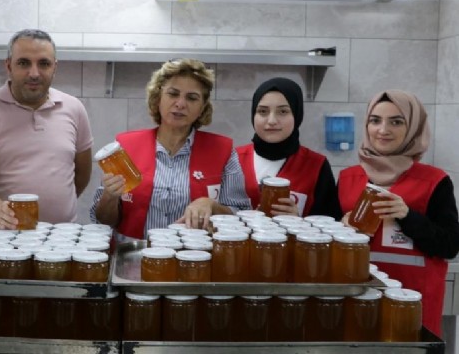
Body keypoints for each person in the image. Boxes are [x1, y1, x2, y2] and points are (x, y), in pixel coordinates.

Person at [338, 89, 459, 336]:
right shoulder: (347, 178)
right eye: (375, 120)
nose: (383, 130)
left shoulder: (434, 181)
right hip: (355, 299)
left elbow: (450, 245)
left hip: (413, 304)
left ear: (413, 128)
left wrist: (407, 215)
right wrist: (341, 226)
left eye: (396, 121)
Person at [90, 58, 251, 240]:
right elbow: (103, 220)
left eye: (192, 98)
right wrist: (109, 197)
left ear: (202, 107)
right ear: (158, 98)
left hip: (196, 259)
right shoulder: (123, 149)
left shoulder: (223, 151)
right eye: (173, 94)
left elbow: (241, 216)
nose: (180, 104)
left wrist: (211, 205)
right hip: (135, 256)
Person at [0, 29, 92, 228]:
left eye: (44, 64)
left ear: (55, 67)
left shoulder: (74, 108)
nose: (34, 73)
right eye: (23, 63)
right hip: (1, 236)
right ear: (8, 65)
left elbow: (82, 174)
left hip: (62, 238)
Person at [236, 77, 341, 219]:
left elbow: (330, 225)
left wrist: (298, 221)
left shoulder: (316, 165)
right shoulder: (233, 159)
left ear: (297, 115)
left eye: (283, 112)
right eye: (262, 111)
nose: (271, 121)